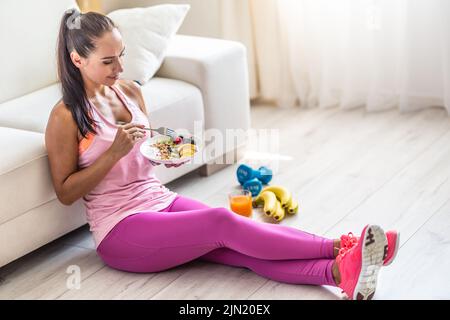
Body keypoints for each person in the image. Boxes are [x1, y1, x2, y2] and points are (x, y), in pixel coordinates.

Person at [45, 9, 399, 300]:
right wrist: (112, 154)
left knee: (237, 246)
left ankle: (340, 273)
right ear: (78, 59)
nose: (120, 69)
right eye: (108, 62)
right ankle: (342, 247)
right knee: (222, 221)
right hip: (119, 229)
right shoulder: (65, 116)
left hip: (157, 199)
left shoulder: (129, 93)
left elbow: (144, 149)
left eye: (121, 57)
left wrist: (167, 151)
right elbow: (65, 192)